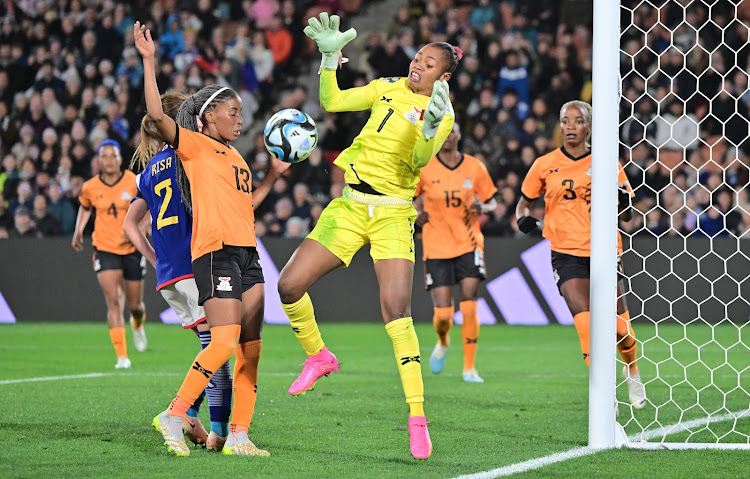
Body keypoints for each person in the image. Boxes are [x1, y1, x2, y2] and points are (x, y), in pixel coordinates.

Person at [276, 12, 456, 460]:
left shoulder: (442, 114)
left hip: (394, 214)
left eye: (429, 64)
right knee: (288, 285)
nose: (418, 64)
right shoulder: (388, 85)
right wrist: (329, 57)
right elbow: (333, 101)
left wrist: (431, 126)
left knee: (396, 312)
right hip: (350, 205)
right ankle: (319, 356)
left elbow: (417, 159)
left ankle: (417, 418)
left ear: (445, 76)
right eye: (418, 57)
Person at [134, 21, 291, 457]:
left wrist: (273, 178)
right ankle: (175, 412)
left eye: (242, 112)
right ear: (206, 118)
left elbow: (247, 205)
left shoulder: (237, 156)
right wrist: (149, 63)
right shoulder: (195, 146)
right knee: (222, 341)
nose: (240, 118)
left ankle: (239, 435)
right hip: (214, 254)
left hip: (247, 253)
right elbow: (157, 116)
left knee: (251, 347)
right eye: (232, 112)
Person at [515, 100, 647, 410]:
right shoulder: (544, 164)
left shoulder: (606, 163)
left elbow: (627, 216)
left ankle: (632, 369)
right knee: (585, 325)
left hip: (603, 250)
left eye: (577, 121)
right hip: (565, 253)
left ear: (588, 126)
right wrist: (525, 219)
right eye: (565, 121)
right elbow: (524, 203)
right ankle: (606, 400)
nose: (570, 126)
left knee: (620, 329)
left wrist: (619, 198)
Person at [122, 92, 231, 451]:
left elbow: (129, 225)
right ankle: (201, 423)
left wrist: (155, 260)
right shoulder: (190, 156)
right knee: (219, 346)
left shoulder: (149, 171)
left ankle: (193, 420)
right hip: (195, 264)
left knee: (210, 345)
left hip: (169, 273)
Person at [414, 123, 497, 383]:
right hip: (437, 245)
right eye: (443, 132)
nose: (448, 137)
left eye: (452, 132)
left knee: (470, 303)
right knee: (443, 314)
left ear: (459, 136)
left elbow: (493, 201)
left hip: (468, 243)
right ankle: (443, 340)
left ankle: (469, 368)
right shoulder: (425, 168)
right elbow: (410, 197)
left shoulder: (474, 166)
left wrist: (482, 207)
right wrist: (417, 215)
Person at [71, 139, 147, 369]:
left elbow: (149, 209)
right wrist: (78, 230)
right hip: (104, 248)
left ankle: (137, 324)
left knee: (135, 305)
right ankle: (122, 357)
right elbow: (85, 207)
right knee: (114, 301)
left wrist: (137, 230)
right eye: (104, 156)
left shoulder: (134, 182)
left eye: (113, 155)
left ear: (120, 159)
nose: (109, 160)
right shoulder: (90, 187)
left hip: (132, 249)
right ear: (99, 160)